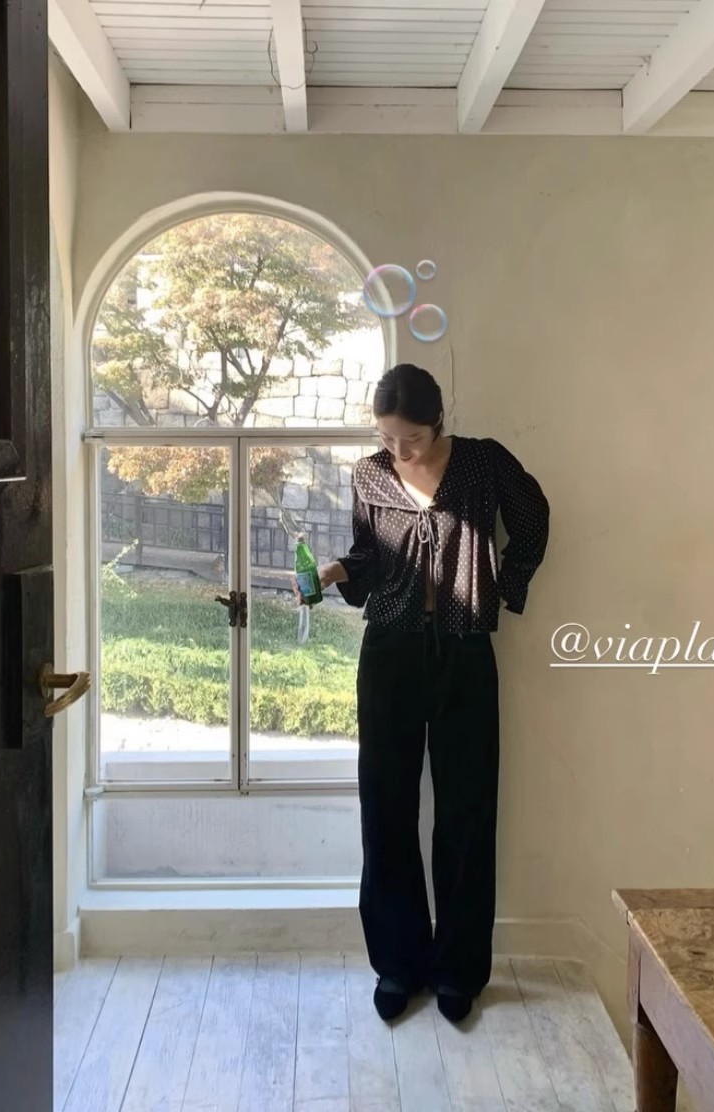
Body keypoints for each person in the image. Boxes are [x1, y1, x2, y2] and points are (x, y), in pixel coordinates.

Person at [301, 363, 549, 1024]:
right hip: (390, 653)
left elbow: (532, 521)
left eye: (409, 437)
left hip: (465, 654)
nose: (399, 449)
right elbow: (368, 556)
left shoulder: (483, 463)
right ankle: (398, 963)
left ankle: (458, 969)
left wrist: (505, 586)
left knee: (467, 813)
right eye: (387, 436)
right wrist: (332, 571)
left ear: (438, 420)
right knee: (386, 809)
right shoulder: (370, 475)